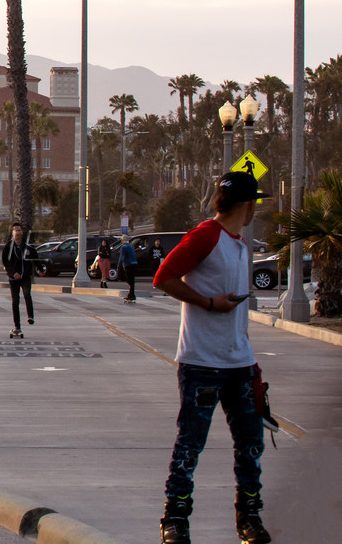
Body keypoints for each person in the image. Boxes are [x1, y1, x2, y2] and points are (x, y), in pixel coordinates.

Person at [152, 171, 270, 544]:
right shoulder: (206, 236)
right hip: (202, 363)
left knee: (251, 444)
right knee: (190, 444)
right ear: (248, 205)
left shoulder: (238, 244)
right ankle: (175, 520)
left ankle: (249, 517)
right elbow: (163, 277)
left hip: (240, 363)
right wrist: (207, 303)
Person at [2, 221, 37, 339]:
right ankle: (17, 326)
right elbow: (5, 262)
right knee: (15, 301)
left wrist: (41, 268)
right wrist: (13, 273)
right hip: (13, 278)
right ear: (12, 232)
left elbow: (35, 259)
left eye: (19, 230)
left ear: (22, 232)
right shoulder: (8, 247)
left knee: (27, 293)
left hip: (26, 277)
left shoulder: (27, 247)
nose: (18, 232)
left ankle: (30, 316)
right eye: (15, 230)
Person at [118, 235, 139, 303]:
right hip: (134, 263)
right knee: (132, 280)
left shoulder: (124, 247)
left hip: (128, 264)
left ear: (122, 240)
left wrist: (119, 266)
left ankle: (131, 294)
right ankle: (131, 294)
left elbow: (122, 257)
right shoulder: (131, 246)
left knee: (129, 280)